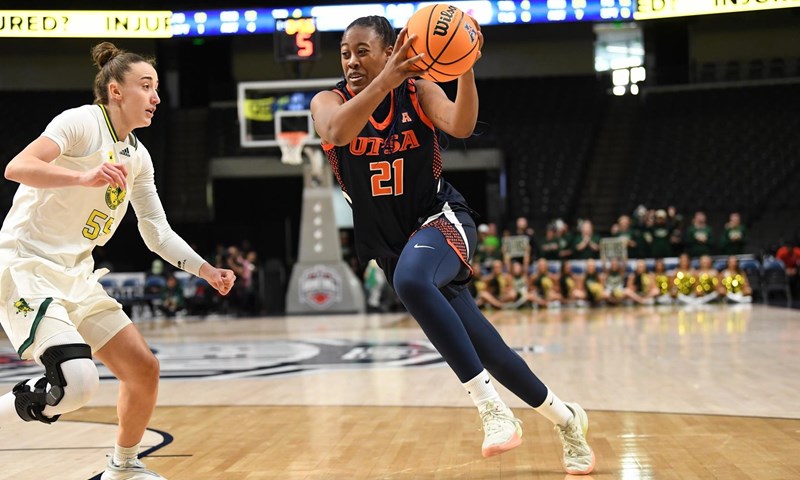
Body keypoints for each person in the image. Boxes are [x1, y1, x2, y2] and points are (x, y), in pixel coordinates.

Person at [310, 16, 594, 474]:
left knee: (411, 280)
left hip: (441, 221)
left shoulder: (419, 91)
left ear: (391, 49)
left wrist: (465, 66)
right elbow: (337, 133)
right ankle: (567, 420)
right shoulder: (328, 101)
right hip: (394, 245)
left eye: (363, 50)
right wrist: (385, 79)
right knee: (490, 349)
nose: (351, 60)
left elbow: (461, 126)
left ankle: (492, 410)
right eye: (345, 52)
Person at [0, 42, 236, 480]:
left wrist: (206, 269)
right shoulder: (81, 122)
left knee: (144, 370)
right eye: (146, 86)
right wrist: (81, 176)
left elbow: (156, 231)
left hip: (77, 275)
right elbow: (18, 166)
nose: (156, 97)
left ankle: (123, 469)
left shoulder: (138, 157)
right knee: (79, 385)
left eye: (157, 88)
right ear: (115, 91)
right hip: (26, 266)